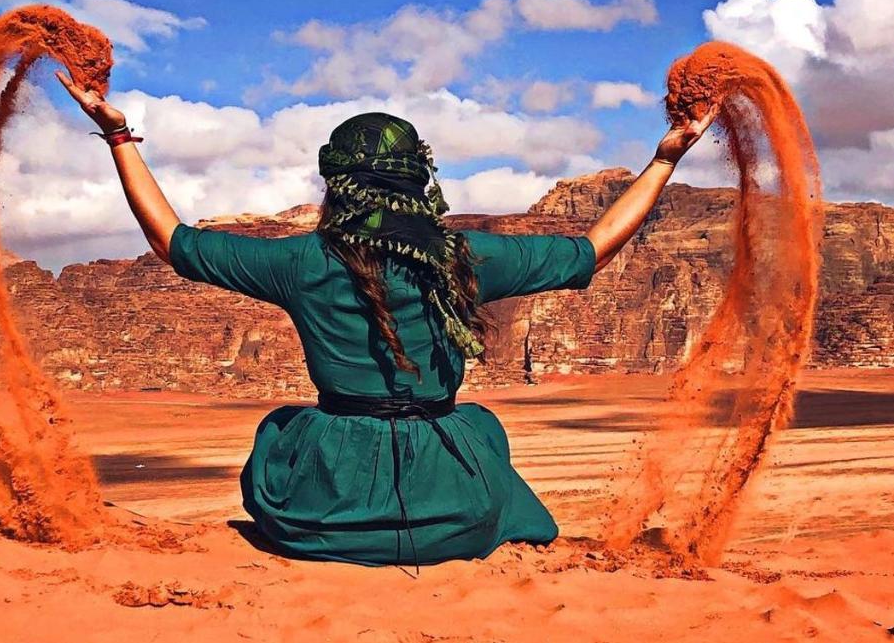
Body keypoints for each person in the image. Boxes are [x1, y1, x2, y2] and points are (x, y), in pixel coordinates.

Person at [57, 71, 716, 570]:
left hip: (322, 516)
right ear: (418, 179)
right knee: (478, 424)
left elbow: (172, 240)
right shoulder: (469, 257)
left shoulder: (300, 261)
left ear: (336, 182)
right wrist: (665, 158)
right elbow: (597, 246)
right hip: (453, 512)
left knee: (282, 429)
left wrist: (118, 136)